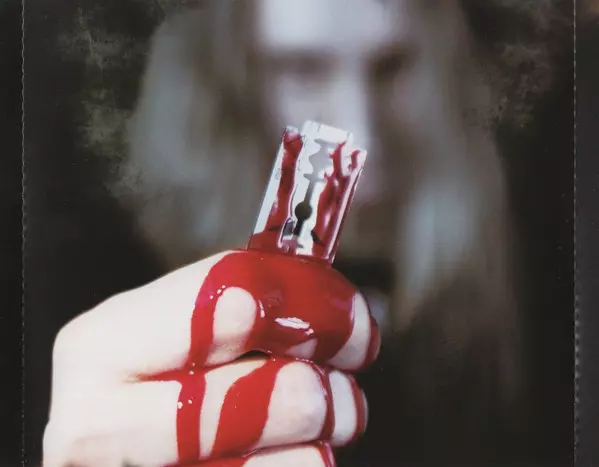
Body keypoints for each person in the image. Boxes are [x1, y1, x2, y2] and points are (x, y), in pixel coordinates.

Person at [31, 0, 573, 465]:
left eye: (393, 66)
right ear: (228, 83)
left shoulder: (550, 243)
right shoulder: (117, 270)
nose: (358, 134)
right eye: (302, 69)